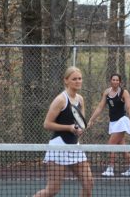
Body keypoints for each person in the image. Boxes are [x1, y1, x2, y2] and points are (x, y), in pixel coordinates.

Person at [33, 66, 93, 197]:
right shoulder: (60, 100)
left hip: (75, 147)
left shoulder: (80, 99)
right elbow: (47, 124)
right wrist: (69, 128)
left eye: (80, 78)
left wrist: (79, 130)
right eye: (74, 79)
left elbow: (81, 123)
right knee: (52, 190)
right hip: (58, 148)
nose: (78, 81)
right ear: (66, 81)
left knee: (88, 183)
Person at [88, 73, 130, 177]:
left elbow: (129, 108)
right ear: (110, 81)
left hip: (122, 122)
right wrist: (91, 119)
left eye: (117, 80)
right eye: (113, 80)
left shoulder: (124, 93)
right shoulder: (106, 92)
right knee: (122, 147)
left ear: (120, 82)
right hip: (113, 123)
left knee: (111, 144)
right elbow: (100, 107)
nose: (115, 81)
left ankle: (110, 169)